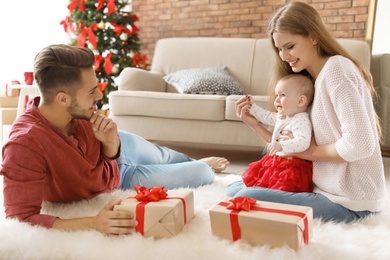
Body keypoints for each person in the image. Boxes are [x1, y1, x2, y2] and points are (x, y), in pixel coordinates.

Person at [0, 44, 229, 235]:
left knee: (171, 156)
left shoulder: (78, 111)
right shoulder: (24, 145)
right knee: (202, 173)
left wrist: (111, 144)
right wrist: (92, 222)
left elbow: (107, 151)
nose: (100, 96)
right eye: (91, 92)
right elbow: (20, 217)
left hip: (120, 147)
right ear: (63, 99)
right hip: (121, 179)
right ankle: (201, 164)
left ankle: (195, 159)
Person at [226, 1, 386, 223]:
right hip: (322, 190)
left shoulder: (337, 69)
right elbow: (285, 145)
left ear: (313, 36)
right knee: (234, 189)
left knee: (246, 196)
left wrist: (310, 153)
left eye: (290, 46)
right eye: (279, 49)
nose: (284, 56)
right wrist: (254, 123)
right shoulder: (309, 82)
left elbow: (360, 143)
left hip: (352, 201)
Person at [240, 74, 314, 193]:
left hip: (290, 166)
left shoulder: (301, 120)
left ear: (301, 101)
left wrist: (281, 146)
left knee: (279, 187)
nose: (277, 100)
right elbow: (266, 116)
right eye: (276, 95)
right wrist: (252, 107)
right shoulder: (283, 116)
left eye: (283, 95)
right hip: (276, 160)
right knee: (257, 179)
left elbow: (303, 142)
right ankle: (253, 193)